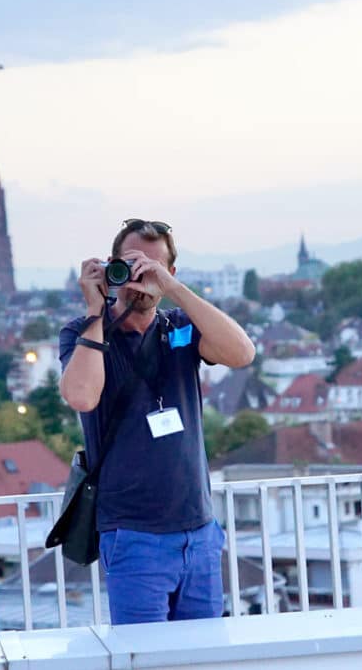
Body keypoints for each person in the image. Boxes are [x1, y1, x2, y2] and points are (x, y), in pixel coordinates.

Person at [59, 218, 255, 624]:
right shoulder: (84, 334)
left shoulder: (181, 328)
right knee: (145, 658)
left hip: (199, 532)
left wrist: (174, 291)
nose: (140, 278)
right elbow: (80, 395)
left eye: (154, 267)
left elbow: (242, 354)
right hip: (134, 536)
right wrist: (97, 311)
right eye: (132, 265)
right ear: (112, 267)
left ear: (170, 272)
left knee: (202, 656)